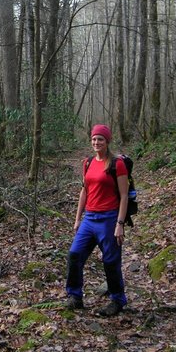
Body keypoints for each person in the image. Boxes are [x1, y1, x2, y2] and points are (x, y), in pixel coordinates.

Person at [65, 124, 128, 316]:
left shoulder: (117, 164)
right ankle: (75, 296)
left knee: (110, 261)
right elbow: (84, 191)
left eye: (100, 139)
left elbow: (124, 196)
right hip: (89, 218)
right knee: (74, 254)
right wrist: (77, 219)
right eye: (94, 139)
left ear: (107, 141)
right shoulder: (88, 163)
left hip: (109, 218)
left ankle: (117, 300)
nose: (96, 142)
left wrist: (120, 224)